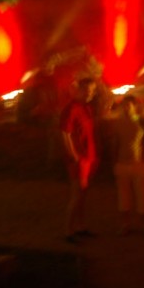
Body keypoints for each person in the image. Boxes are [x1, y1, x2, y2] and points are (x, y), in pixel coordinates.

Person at [60, 78, 98, 243]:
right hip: (79, 158)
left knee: (83, 194)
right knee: (77, 195)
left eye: (92, 91)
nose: (90, 94)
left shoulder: (87, 107)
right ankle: (68, 231)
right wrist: (73, 154)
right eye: (87, 90)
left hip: (89, 156)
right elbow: (65, 133)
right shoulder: (72, 108)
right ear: (79, 90)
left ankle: (80, 227)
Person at [111, 96, 144, 238]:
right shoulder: (118, 123)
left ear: (134, 106)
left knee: (143, 198)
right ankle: (125, 225)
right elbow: (115, 144)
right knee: (123, 198)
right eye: (124, 105)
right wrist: (114, 164)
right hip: (122, 164)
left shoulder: (141, 121)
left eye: (128, 105)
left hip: (138, 165)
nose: (126, 108)